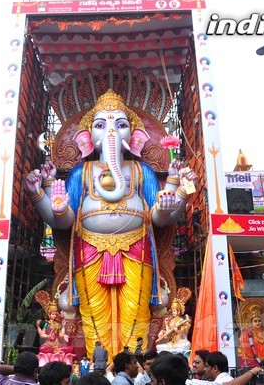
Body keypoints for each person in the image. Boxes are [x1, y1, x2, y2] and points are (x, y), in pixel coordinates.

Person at [25, 89, 198, 358]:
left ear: (135, 136)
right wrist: (40, 195)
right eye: (100, 125)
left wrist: (176, 199)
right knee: (93, 312)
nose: (110, 132)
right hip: (89, 251)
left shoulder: (142, 172)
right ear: (87, 139)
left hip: (137, 250)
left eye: (120, 125)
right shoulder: (82, 173)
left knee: (136, 309)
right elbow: (63, 223)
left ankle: (134, 363)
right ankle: (98, 363)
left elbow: (161, 218)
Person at [34, 290, 73, 355]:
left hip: (57, 344)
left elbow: (61, 335)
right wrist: (48, 336)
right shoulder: (46, 324)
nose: (54, 316)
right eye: (53, 314)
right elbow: (42, 335)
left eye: (55, 314)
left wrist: (63, 326)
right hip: (49, 344)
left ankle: (56, 350)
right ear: (49, 315)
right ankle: (56, 351)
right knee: (42, 348)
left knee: (70, 348)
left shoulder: (57, 324)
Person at [156, 288, 192, 353]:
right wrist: (166, 324)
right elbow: (168, 332)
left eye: (174, 311)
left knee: (187, 344)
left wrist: (178, 331)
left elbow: (185, 333)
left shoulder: (181, 320)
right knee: (159, 346)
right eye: (172, 311)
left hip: (180, 341)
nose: (173, 313)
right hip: (172, 342)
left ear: (179, 311)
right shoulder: (171, 320)